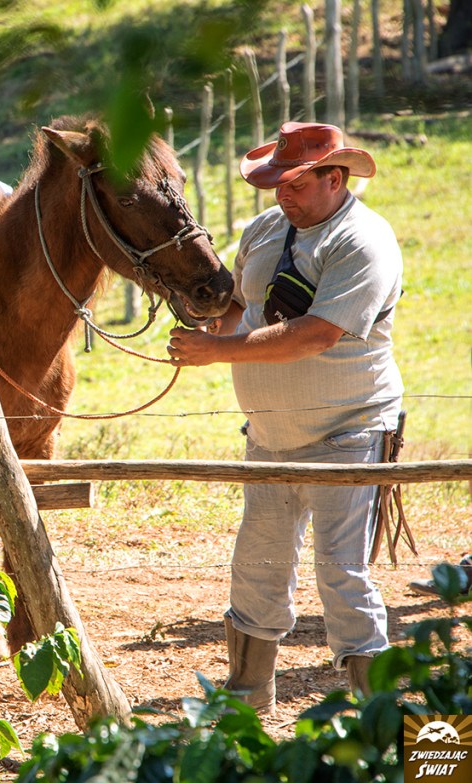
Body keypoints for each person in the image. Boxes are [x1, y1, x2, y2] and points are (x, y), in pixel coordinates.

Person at [167, 122, 403, 711]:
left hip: (350, 433)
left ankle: (377, 715)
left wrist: (217, 351)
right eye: (278, 184)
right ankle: (247, 700)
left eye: (296, 184)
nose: (283, 195)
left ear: (335, 178)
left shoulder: (362, 241)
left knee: (342, 575)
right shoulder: (264, 229)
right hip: (269, 435)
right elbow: (241, 308)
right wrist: (208, 326)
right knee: (257, 568)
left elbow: (316, 334)